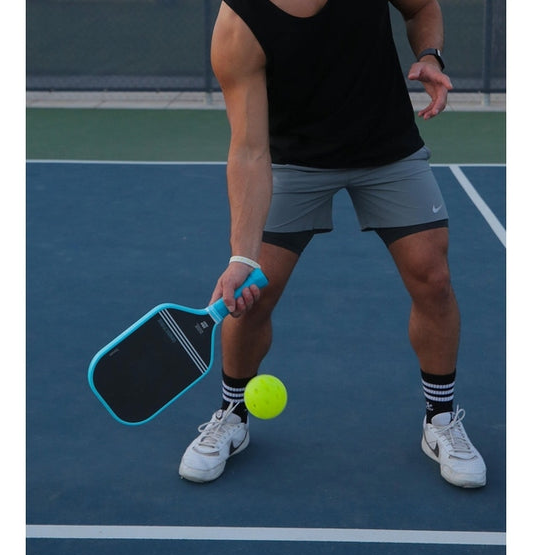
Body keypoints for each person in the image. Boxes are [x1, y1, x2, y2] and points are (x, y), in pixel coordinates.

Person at [178, 0, 487, 488]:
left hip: (387, 147)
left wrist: (430, 55)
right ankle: (232, 416)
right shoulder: (239, 23)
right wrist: (241, 256)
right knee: (252, 294)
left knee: (434, 277)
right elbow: (249, 149)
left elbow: (422, 6)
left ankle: (441, 419)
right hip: (292, 160)